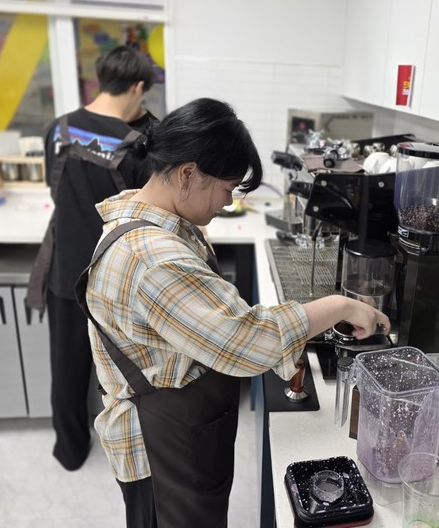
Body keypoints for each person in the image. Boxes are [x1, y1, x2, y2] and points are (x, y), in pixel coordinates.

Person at [76, 97, 389, 528]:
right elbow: (247, 341)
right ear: (188, 174)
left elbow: (214, 318)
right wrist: (339, 305)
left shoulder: (158, 221)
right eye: (227, 189)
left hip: (179, 429)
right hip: (159, 450)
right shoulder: (152, 258)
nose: (226, 203)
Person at [26, 45, 158, 472]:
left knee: (66, 369)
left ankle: (69, 452)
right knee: (127, 369)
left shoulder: (58, 128)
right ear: (137, 86)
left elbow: (57, 189)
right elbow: (152, 209)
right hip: (114, 276)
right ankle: (133, 453)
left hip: (65, 266)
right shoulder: (139, 143)